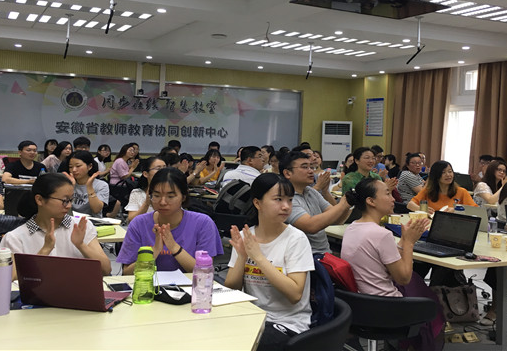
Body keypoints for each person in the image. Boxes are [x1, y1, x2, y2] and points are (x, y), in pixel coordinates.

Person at [341, 178, 443, 350]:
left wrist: (403, 240)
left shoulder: (353, 227)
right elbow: (403, 278)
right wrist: (409, 242)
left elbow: (380, 261)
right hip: (387, 308)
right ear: (371, 201)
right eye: (387, 194)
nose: (393, 198)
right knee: (432, 304)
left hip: (360, 305)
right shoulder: (381, 234)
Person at [225, 173, 314, 350]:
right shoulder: (246, 236)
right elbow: (232, 289)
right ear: (257, 203)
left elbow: (295, 294)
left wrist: (258, 257)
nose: (286, 206)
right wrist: (242, 256)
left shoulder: (296, 239)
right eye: (278, 199)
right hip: (252, 316)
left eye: (290, 200)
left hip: (288, 322)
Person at [0, 173, 111, 278]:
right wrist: (45, 250)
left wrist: (81, 245)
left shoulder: (80, 227)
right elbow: (7, 279)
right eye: (64, 200)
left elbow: (106, 270)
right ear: (40, 200)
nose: (69, 206)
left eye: (71, 200)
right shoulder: (15, 238)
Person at [117, 168, 222, 273]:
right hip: (147, 283)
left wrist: (174, 247)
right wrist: (154, 251)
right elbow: (127, 272)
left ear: (184, 197)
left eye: (170, 196)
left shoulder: (203, 223)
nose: (162, 202)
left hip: (188, 284)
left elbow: (204, 272)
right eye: (156, 196)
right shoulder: (139, 224)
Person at [282, 150, 351, 253]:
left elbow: (338, 220)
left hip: (325, 253)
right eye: (305, 167)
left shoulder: (310, 191)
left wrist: (348, 203)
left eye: (311, 167)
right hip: (306, 256)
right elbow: (310, 226)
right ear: (287, 173)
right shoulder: (285, 198)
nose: (311, 171)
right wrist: (342, 204)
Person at [408, 160, 476, 213]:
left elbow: (475, 210)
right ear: (436, 176)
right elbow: (410, 205)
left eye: (450, 171)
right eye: (443, 172)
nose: (448, 175)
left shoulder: (461, 192)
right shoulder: (428, 191)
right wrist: (421, 209)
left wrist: (456, 210)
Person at [64, 151, 109, 218]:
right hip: (70, 220)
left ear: (89, 166)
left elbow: (96, 210)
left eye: (78, 166)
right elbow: (61, 208)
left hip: (92, 222)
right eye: (70, 167)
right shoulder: (67, 183)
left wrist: (89, 187)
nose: (74, 170)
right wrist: (71, 187)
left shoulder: (101, 185)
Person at [124, 156, 165, 223]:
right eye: (158, 169)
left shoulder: (171, 193)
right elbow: (132, 220)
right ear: (146, 174)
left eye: (165, 168)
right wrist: (146, 203)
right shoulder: (137, 193)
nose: (163, 172)